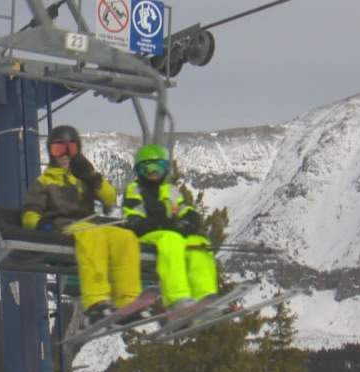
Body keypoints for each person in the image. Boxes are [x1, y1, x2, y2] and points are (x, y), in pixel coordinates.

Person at [22, 124, 142, 323]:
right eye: (59, 149)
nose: (65, 154)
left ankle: (127, 300)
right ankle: (96, 301)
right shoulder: (45, 181)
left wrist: (91, 177)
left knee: (125, 237)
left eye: (71, 149)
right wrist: (42, 223)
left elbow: (110, 199)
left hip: (90, 224)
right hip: (64, 226)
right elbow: (30, 214)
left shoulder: (84, 178)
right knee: (92, 234)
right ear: (51, 152)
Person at [122, 144, 218, 314]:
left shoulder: (171, 191)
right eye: (148, 168)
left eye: (158, 167)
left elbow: (185, 211)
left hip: (171, 233)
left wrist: (189, 222)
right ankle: (177, 297)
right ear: (139, 170)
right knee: (171, 240)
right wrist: (158, 222)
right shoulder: (135, 189)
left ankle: (204, 295)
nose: (154, 173)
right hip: (146, 235)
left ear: (165, 169)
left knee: (198, 244)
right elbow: (133, 218)